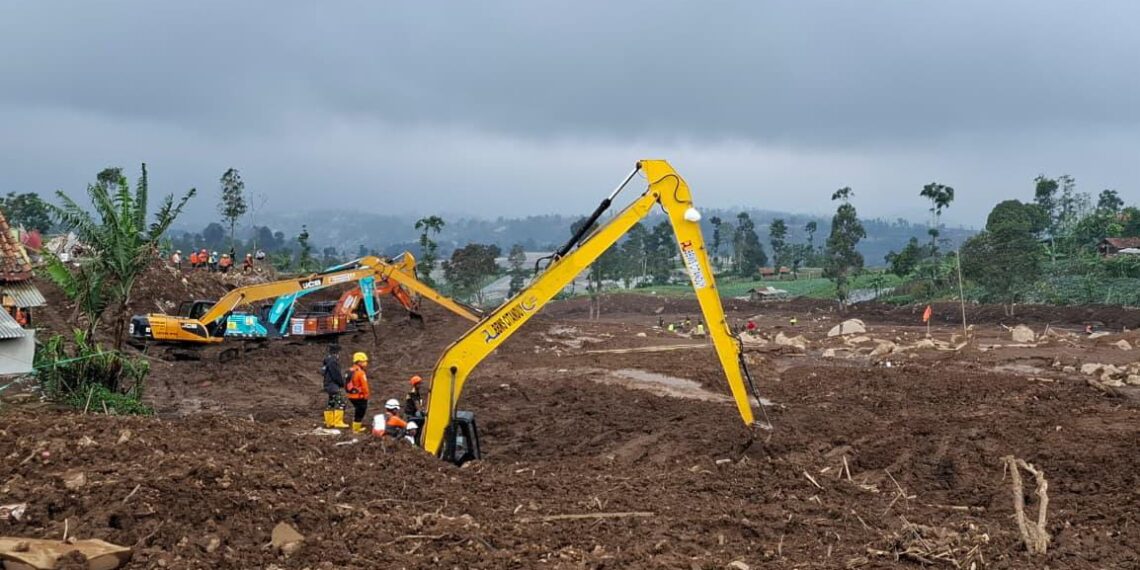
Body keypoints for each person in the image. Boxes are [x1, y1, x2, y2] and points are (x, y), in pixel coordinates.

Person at [321, 344, 349, 429]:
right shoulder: (333, 361)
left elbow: (323, 372)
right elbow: (336, 374)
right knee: (342, 404)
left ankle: (329, 422)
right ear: (336, 352)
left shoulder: (327, 361)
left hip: (328, 385)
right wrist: (341, 383)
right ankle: (338, 422)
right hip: (333, 386)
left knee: (331, 404)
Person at [345, 352, 371, 433]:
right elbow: (364, 386)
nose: (365, 363)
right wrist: (367, 394)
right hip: (359, 396)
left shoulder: (350, 370)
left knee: (358, 410)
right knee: (361, 411)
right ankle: (356, 428)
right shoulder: (361, 373)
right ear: (358, 362)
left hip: (351, 395)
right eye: (363, 361)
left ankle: (356, 427)